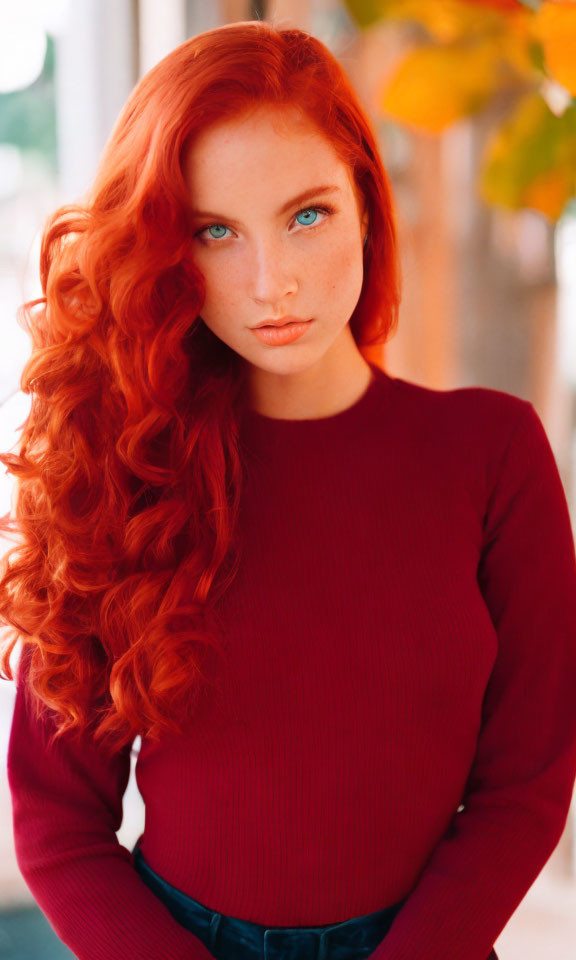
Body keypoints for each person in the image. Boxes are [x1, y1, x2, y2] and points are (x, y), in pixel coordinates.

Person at [2, 17, 575, 960]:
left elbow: (527, 786)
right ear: (165, 253)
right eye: (216, 232)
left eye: (308, 214)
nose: (273, 284)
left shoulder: (494, 453)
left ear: (365, 202)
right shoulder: (122, 469)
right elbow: (59, 823)